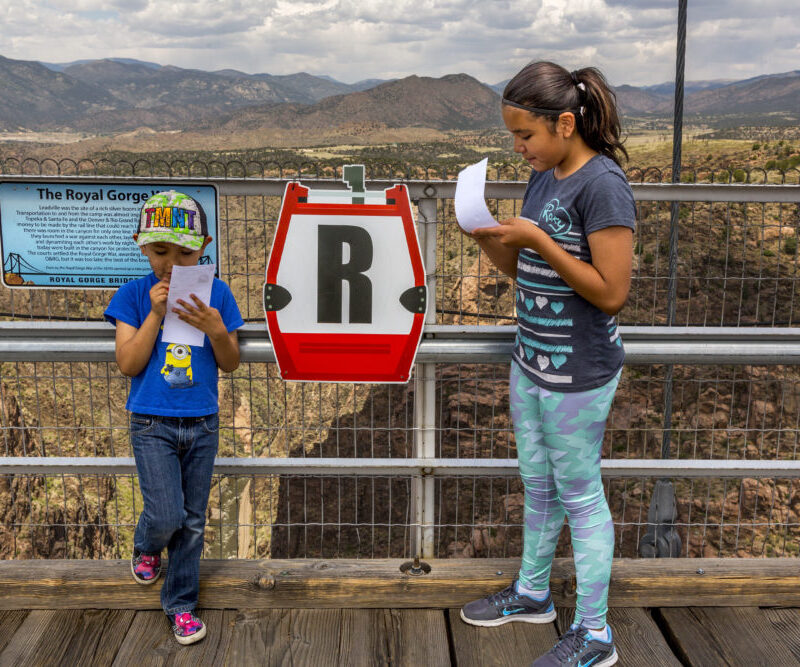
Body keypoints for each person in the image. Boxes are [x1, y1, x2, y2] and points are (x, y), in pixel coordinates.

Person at [459, 62, 634, 667]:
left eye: (525, 135)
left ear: (565, 122)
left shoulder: (602, 185)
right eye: (512, 136)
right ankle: (534, 594)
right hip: (531, 361)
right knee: (538, 485)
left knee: (581, 495)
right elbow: (528, 275)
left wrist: (540, 241)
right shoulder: (546, 175)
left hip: (578, 373)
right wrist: (491, 241)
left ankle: (595, 634)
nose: (518, 147)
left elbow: (611, 292)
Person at [104, 190, 243, 645]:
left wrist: (217, 328)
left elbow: (230, 362)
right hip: (151, 422)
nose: (171, 263)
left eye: (184, 252)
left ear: (203, 247)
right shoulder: (131, 296)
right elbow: (129, 362)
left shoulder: (217, 293)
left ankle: (181, 604)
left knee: (193, 520)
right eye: (160, 250)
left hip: (202, 421)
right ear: (141, 246)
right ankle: (147, 544)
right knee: (166, 514)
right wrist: (156, 315)